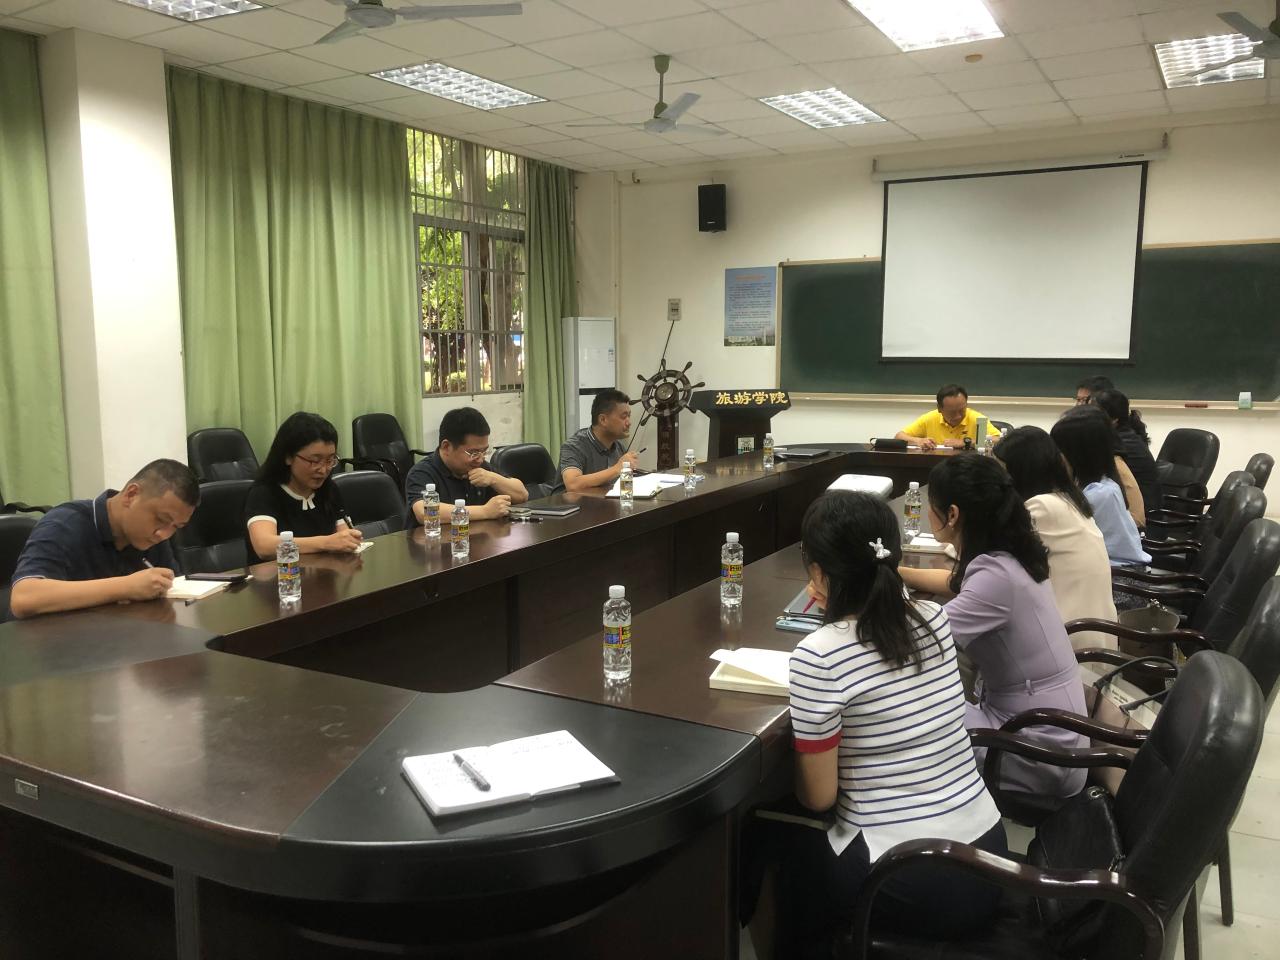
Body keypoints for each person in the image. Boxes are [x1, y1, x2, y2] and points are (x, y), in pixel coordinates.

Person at [743, 491, 1005, 958]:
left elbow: (818, 798)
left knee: (764, 835)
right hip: (988, 854)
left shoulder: (819, 655)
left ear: (819, 574)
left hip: (908, 875)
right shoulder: (933, 618)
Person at [897, 455, 1088, 801]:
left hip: (1040, 750)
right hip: (1049, 725)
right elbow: (956, 584)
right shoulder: (1011, 554)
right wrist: (895, 571)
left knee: (908, 716)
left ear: (952, 514)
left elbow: (915, 637)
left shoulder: (996, 577)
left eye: (930, 506)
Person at [9, 459, 199, 619]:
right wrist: (126, 586)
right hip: (47, 645)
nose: (164, 534)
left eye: (176, 527)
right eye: (161, 519)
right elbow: (23, 598)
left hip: (115, 639)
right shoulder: (64, 523)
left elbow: (173, 595)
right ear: (131, 495)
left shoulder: (153, 536)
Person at [994, 427, 1117, 650]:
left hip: (1071, 643)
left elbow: (989, 559)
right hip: (1091, 637)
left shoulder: (1042, 507)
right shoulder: (1067, 499)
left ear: (1021, 472)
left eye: (1002, 471)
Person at [244, 412, 363, 562]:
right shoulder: (264, 492)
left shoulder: (329, 489)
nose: (323, 470)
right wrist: (326, 542)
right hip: (278, 575)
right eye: (315, 461)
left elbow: (344, 538)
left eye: (330, 460)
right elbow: (264, 546)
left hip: (325, 573)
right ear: (288, 457)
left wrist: (348, 541)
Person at [1051, 407, 1150, 568]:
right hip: (1108, 567)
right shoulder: (1095, 482)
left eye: (1059, 450)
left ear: (1077, 453)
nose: (1056, 456)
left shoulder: (1099, 493)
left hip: (1122, 574)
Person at [405, 407, 527, 524]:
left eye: (484, 451)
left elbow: (522, 495)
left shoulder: (481, 467)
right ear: (446, 447)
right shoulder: (422, 472)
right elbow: (424, 512)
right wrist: (485, 511)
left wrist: (493, 479)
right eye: (473, 453)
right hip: (433, 538)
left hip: (474, 537)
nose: (480, 459)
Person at [555, 389, 639, 492]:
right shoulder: (574, 446)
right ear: (603, 420)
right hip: (569, 502)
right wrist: (617, 468)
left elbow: (625, 489)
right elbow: (573, 484)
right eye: (624, 417)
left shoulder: (618, 447)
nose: (629, 423)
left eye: (629, 416)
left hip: (603, 501)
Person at [1092, 388, 1161, 514]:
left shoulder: (1120, 443)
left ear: (1114, 419)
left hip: (1141, 516)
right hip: (1127, 508)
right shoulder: (1122, 436)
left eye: (1094, 414)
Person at [895, 384, 1000, 452]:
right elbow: (899, 437)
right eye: (952, 412)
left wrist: (966, 442)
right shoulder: (929, 418)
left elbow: (1000, 441)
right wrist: (918, 441)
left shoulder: (977, 418)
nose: (958, 416)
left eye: (962, 410)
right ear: (939, 409)